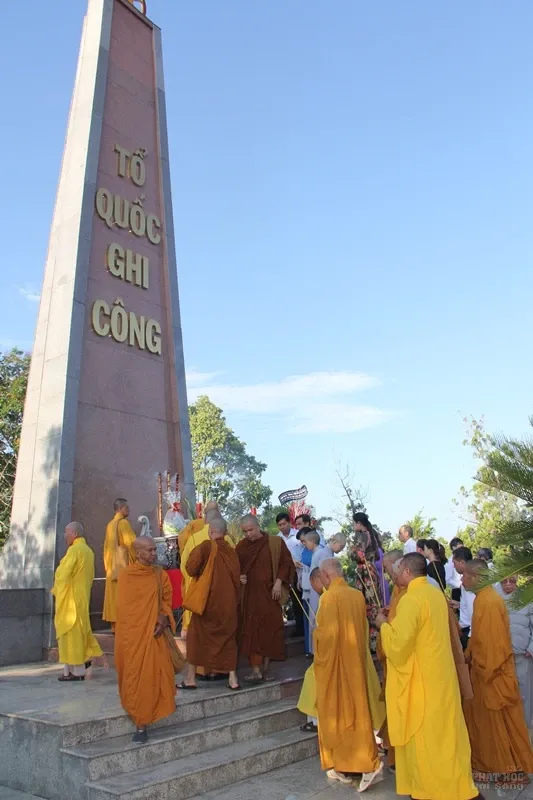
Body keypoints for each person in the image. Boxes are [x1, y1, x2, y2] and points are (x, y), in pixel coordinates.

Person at [375, 553, 478, 800]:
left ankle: (430, 791)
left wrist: (382, 625)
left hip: (422, 686)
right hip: (443, 679)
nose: (395, 575)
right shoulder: (435, 595)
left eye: (398, 571)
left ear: (408, 572)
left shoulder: (412, 599)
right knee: (447, 738)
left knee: (426, 742)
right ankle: (456, 786)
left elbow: (399, 646)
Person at [314, 558, 385, 792]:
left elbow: (326, 638)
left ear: (325, 576)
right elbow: (363, 631)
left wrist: (315, 638)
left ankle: (366, 764)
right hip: (355, 664)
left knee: (336, 714)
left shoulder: (328, 598)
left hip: (335, 667)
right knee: (357, 713)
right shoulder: (356, 595)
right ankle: (344, 764)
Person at [462, 560, 533, 782]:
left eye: (465, 575)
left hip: (492, 676)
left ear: (476, 577)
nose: (461, 579)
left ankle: (511, 771)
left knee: (501, 727)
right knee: (488, 727)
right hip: (484, 673)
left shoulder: (490, 602)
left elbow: (494, 648)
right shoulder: (483, 598)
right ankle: (492, 767)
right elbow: (480, 638)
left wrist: (482, 668)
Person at [115, 536, 176, 743]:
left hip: (154, 634)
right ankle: (140, 722)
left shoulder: (159, 574)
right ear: (138, 552)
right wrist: (137, 630)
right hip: (133, 637)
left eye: (154, 550)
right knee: (136, 677)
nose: (153, 554)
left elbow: (167, 598)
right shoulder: (126, 576)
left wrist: (163, 616)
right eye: (149, 550)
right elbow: (124, 610)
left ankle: (149, 715)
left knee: (153, 676)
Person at [181, 516, 241, 691]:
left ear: (211, 531)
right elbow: (236, 579)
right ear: (226, 532)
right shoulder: (231, 552)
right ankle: (233, 679)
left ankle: (191, 678)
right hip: (227, 604)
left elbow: (190, 568)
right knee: (228, 640)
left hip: (207, 604)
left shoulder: (206, 547)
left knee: (195, 637)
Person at [238, 514, 295, 682]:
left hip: (270, 595)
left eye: (251, 530)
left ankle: (267, 668)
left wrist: (278, 582)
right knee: (251, 633)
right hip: (249, 597)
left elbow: (286, 563)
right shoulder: (241, 547)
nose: (248, 534)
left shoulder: (274, 543)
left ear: (258, 526)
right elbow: (233, 568)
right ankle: (255, 670)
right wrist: (238, 577)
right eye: (245, 531)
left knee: (270, 631)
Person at [52, 522, 103, 682]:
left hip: (71, 600)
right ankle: (75, 668)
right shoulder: (88, 551)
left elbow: (63, 574)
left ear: (74, 534)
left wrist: (55, 586)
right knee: (80, 632)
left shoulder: (74, 550)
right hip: (81, 598)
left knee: (71, 634)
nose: (65, 536)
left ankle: (77, 671)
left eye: (66, 533)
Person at [180, 505, 234, 639]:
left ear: (205, 519)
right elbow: (234, 564)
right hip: (220, 590)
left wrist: (194, 580)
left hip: (198, 589)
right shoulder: (225, 538)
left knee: (198, 625)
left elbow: (184, 566)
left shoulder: (192, 537)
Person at [375, 549, 405, 770]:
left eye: (386, 569)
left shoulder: (413, 595)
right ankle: (395, 755)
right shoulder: (399, 590)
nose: (386, 574)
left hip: (404, 663)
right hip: (396, 665)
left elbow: (400, 638)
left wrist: (382, 624)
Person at [495, 575, 533, 732]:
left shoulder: (526, 599)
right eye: (505, 581)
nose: (508, 585)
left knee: (524, 693)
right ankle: (508, 731)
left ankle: (523, 730)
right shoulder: (494, 599)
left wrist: (531, 648)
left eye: (512, 581)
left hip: (523, 655)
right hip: (501, 658)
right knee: (503, 694)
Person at [349, 513, 383, 657]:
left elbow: (358, 555)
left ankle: (371, 642)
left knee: (367, 605)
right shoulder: (373, 534)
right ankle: (376, 640)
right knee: (373, 604)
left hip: (365, 572)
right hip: (371, 570)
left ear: (358, 523)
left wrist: (352, 552)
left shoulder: (362, 535)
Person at [297, 567, 325, 733]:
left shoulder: (327, 599)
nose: (313, 588)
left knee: (312, 679)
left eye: (312, 584)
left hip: (327, 655)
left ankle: (315, 721)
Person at [103, 498, 137, 630]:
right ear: (121, 508)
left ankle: (114, 627)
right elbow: (132, 544)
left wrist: (107, 566)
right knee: (125, 597)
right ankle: (124, 626)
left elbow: (106, 547)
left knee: (114, 598)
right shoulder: (123, 523)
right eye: (127, 508)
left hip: (112, 568)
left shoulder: (110, 525)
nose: (129, 510)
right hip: (123, 568)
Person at [277, 512, 304, 637]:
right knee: (294, 600)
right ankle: (299, 628)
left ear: (289, 523)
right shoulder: (277, 539)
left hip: (302, 571)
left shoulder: (297, 535)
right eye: (280, 525)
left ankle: (306, 627)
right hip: (288, 573)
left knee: (304, 598)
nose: (282, 527)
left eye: (284, 524)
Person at [452, 546, 474, 649]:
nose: (454, 567)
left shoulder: (469, 579)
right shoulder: (468, 577)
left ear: (461, 562)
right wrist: (459, 605)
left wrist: (471, 636)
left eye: (454, 563)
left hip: (470, 631)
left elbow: (473, 610)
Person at [446, 537, 464, 602]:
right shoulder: (450, 561)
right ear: (453, 548)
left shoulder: (464, 558)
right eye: (460, 547)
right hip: (457, 590)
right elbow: (447, 579)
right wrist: (459, 584)